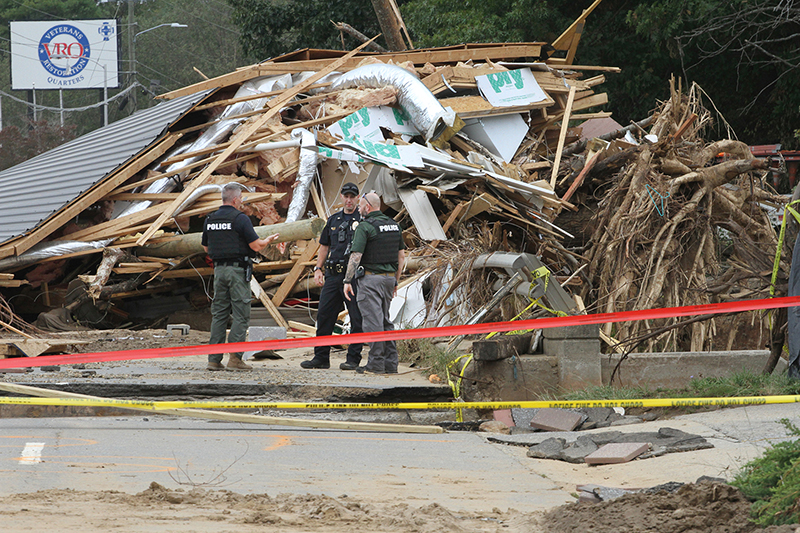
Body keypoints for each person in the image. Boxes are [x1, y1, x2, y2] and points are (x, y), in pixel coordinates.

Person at [202, 183, 279, 371]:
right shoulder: (240, 219)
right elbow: (255, 245)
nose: (242, 201)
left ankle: (214, 359)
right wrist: (267, 241)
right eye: (242, 198)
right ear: (236, 199)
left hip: (219, 271)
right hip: (237, 271)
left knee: (219, 314)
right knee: (240, 315)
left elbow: (206, 248)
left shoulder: (210, 219)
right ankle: (235, 359)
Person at [301, 182, 364, 370]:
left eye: (353, 196)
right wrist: (318, 268)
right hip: (332, 275)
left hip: (352, 277)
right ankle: (321, 358)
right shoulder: (333, 220)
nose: (349, 200)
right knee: (325, 315)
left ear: (358, 198)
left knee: (356, 317)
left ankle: (353, 359)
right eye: (346, 196)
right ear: (342, 197)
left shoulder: (362, 220)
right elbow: (324, 246)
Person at [343, 192, 405, 374]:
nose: (359, 208)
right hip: (388, 279)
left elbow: (356, 255)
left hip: (370, 280)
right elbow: (401, 256)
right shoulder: (394, 226)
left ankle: (376, 364)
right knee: (386, 321)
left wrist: (347, 280)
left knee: (373, 323)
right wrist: (395, 280)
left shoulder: (365, 226)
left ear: (367, 207)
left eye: (361, 205)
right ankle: (390, 364)